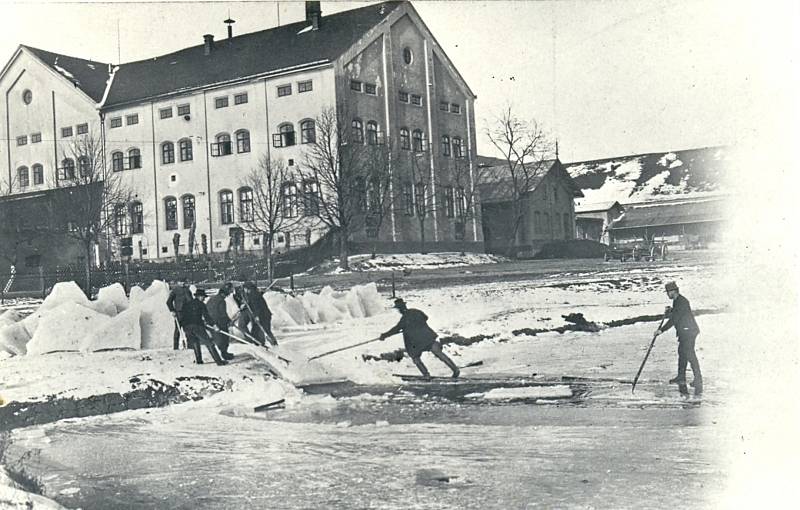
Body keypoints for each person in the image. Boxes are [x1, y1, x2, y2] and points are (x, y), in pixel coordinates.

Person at [379, 298, 459, 379]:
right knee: (438, 353)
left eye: (399, 309)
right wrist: (418, 324)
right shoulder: (416, 311)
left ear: (400, 309)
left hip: (415, 342)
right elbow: (425, 317)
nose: (399, 311)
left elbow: (396, 329)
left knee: (415, 357)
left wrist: (384, 335)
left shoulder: (404, 319)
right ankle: (455, 369)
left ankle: (426, 375)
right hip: (428, 337)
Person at [654, 281, 702, 396]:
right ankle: (681, 376)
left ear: (673, 291)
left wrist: (661, 330)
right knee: (682, 353)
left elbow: (675, 318)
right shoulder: (678, 301)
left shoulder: (681, 301)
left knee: (689, 354)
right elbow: (677, 313)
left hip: (688, 331)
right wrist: (670, 311)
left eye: (668, 292)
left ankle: (698, 379)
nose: (667, 294)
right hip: (685, 331)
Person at [179, 288, 227, 366]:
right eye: (203, 297)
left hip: (186, 327)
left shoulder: (187, 304)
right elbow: (207, 317)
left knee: (195, 342)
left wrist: (184, 326)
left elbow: (183, 316)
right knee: (209, 343)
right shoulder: (201, 304)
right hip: (196, 326)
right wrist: (214, 326)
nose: (204, 298)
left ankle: (199, 360)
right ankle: (219, 361)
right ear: (200, 296)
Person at [239, 281, 278, 346]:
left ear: (248, 288)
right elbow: (251, 305)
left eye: (245, 289)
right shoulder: (253, 294)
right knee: (256, 330)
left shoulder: (253, 294)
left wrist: (257, 316)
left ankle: (274, 344)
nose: (244, 290)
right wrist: (245, 305)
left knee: (266, 330)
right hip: (261, 315)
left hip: (264, 316)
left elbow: (256, 307)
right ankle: (259, 344)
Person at [205, 283, 236, 360]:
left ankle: (222, 353)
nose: (229, 294)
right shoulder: (222, 301)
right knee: (224, 338)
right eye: (228, 292)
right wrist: (229, 321)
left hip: (211, 322)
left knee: (218, 337)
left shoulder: (212, 298)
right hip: (219, 322)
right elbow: (223, 314)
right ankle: (224, 354)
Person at [166, 278, 193, 350]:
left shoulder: (188, 290)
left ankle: (190, 346)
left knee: (188, 329)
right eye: (181, 282)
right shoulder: (175, 291)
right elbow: (168, 302)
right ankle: (175, 347)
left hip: (187, 313)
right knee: (177, 330)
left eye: (184, 282)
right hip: (179, 313)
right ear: (178, 282)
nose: (182, 283)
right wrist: (172, 310)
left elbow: (191, 301)